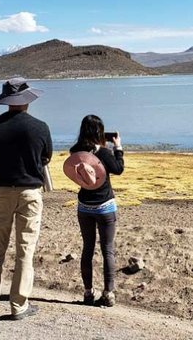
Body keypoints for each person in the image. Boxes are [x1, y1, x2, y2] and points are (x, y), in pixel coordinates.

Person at [0, 78, 52, 321]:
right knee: (25, 250)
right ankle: (18, 306)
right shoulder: (40, 127)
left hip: (1, 192)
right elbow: (46, 158)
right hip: (30, 193)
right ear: (27, 100)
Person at [69, 115, 124, 307]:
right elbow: (118, 169)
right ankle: (108, 293)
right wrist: (118, 147)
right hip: (105, 206)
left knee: (87, 249)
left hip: (84, 206)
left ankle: (87, 292)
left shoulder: (75, 151)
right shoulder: (104, 153)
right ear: (100, 132)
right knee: (107, 250)